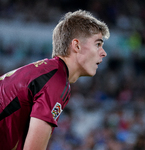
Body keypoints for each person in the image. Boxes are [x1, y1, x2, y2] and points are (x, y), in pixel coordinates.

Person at [0, 10, 110, 150]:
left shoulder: (47, 72)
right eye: (98, 44)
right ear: (76, 46)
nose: (103, 53)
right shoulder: (55, 81)